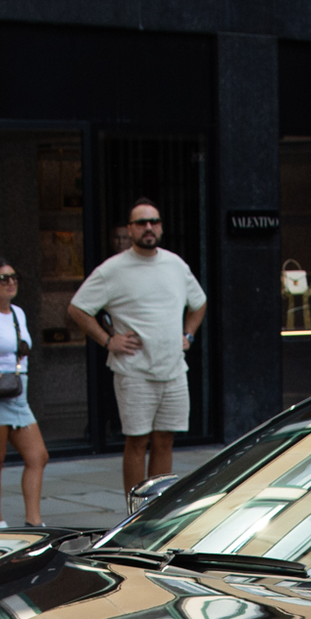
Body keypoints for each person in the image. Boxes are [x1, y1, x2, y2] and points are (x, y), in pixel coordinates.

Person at [68, 197, 207, 496]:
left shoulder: (175, 264)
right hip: (134, 371)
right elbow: (78, 309)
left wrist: (189, 335)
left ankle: (157, 507)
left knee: (165, 439)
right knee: (137, 440)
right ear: (129, 230)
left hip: (173, 369)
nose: (148, 227)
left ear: (160, 227)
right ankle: (134, 510)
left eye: (154, 221)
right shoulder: (112, 269)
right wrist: (108, 340)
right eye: (141, 222)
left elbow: (199, 303)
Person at [0, 257, 49, 528]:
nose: (11, 283)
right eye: (3, 278)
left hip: (18, 393)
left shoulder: (18, 313)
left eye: (14, 277)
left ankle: (34, 520)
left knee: (38, 456)